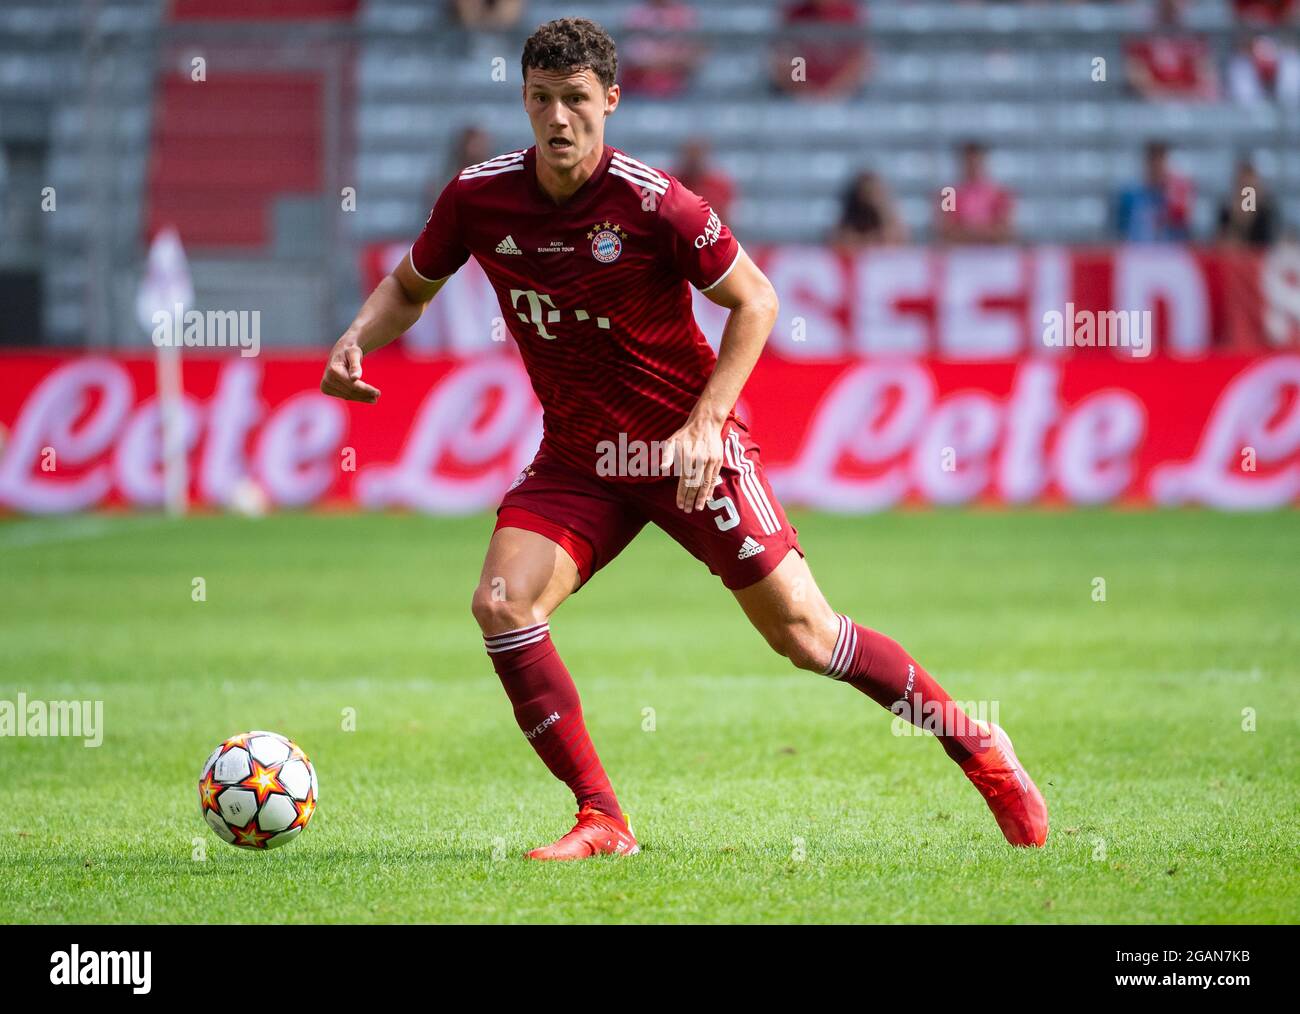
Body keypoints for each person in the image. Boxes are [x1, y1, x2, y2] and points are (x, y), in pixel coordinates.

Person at [320, 18, 1047, 860]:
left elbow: (758, 300)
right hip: (580, 460)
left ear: (612, 101)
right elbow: (411, 286)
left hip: (685, 451)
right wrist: (357, 337)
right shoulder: (477, 198)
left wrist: (706, 426)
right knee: (501, 605)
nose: (558, 119)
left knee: (806, 637)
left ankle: (979, 748)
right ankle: (603, 819)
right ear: (524, 99)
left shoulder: (655, 202)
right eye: (542, 99)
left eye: (577, 101)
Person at [934, 141, 1016, 244]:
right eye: (969, 162)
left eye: (977, 162)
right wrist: (985, 231)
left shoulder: (1000, 193)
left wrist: (967, 231)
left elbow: (1006, 231)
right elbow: (945, 230)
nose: (973, 166)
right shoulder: (949, 194)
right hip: (959, 256)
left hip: (994, 256)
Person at [1116, 141, 1194, 242]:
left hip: (1170, 250)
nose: (1156, 166)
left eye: (1160, 160)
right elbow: (1121, 228)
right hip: (1136, 250)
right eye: (1152, 160)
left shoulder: (1177, 193)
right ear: (1146, 163)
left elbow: (1183, 227)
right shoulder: (1129, 194)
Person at [832, 170, 909, 247]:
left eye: (875, 191)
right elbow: (840, 242)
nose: (871, 194)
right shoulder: (850, 218)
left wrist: (882, 210)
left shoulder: (888, 214)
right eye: (868, 191)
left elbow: (898, 241)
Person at [1217, 159, 1279, 246]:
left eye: (1249, 184)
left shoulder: (1267, 210)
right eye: (1242, 183)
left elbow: (1268, 241)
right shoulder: (1227, 209)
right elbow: (1222, 240)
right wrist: (1235, 219)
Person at [673, 138, 735, 223]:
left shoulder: (719, 186)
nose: (693, 161)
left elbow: (726, 219)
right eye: (690, 156)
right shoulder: (671, 184)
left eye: (697, 156)